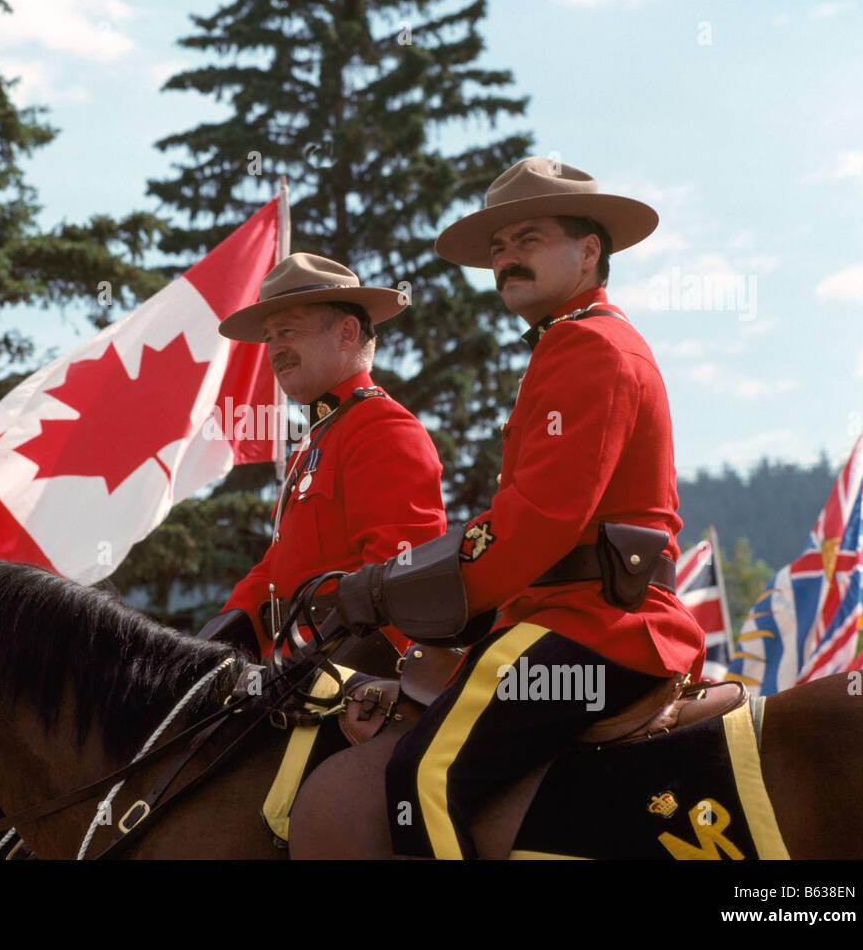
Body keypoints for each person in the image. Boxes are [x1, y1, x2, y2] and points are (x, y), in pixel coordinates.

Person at [332, 157, 705, 858]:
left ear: (589, 251)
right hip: (580, 619)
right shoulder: (571, 342)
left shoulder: (587, 344)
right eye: (498, 250)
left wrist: (396, 587)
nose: (506, 260)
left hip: (596, 626)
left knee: (424, 776)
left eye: (527, 240)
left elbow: (538, 519)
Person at [198, 252, 446, 661]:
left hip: (350, 679)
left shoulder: (382, 429)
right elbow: (271, 576)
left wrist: (321, 674)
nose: (275, 349)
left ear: (347, 332)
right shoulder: (317, 439)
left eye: (288, 331)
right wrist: (211, 652)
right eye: (270, 337)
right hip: (292, 665)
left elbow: (400, 577)